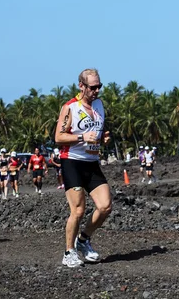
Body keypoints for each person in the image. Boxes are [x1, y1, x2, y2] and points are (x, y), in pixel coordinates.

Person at [55, 68, 112, 268]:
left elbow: (99, 131)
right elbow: (58, 137)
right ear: (81, 86)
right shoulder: (70, 107)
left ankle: (84, 240)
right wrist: (81, 137)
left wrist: (103, 137)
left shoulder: (99, 105)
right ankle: (68, 252)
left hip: (91, 162)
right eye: (92, 87)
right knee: (78, 210)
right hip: (72, 161)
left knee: (105, 206)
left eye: (99, 86)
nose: (96, 91)